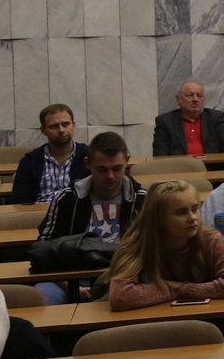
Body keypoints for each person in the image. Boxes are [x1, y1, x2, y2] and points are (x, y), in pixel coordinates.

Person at [97, 179, 224, 311]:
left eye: (195, 209)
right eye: (181, 212)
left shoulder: (211, 239)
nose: (192, 218)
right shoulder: (136, 243)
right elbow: (121, 297)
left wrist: (182, 288)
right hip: (150, 322)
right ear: (160, 218)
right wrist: (173, 288)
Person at [34, 130, 143, 304]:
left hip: (126, 276)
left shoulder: (142, 199)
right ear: (88, 163)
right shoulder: (67, 199)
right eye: (102, 170)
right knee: (42, 297)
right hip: (71, 277)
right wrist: (69, 286)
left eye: (117, 168)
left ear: (127, 161)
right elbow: (43, 252)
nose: (110, 176)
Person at [12, 103, 85, 206]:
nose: (61, 130)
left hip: (76, 212)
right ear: (43, 130)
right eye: (54, 126)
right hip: (39, 213)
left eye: (65, 124)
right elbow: (20, 200)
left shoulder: (88, 156)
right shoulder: (30, 161)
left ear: (73, 125)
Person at [152, 80, 224, 157]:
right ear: (178, 99)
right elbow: (160, 155)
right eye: (189, 95)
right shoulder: (165, 121)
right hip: (180, 166)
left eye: (199, 96)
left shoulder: (215, 118)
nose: (195, 99)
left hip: (213, 165)